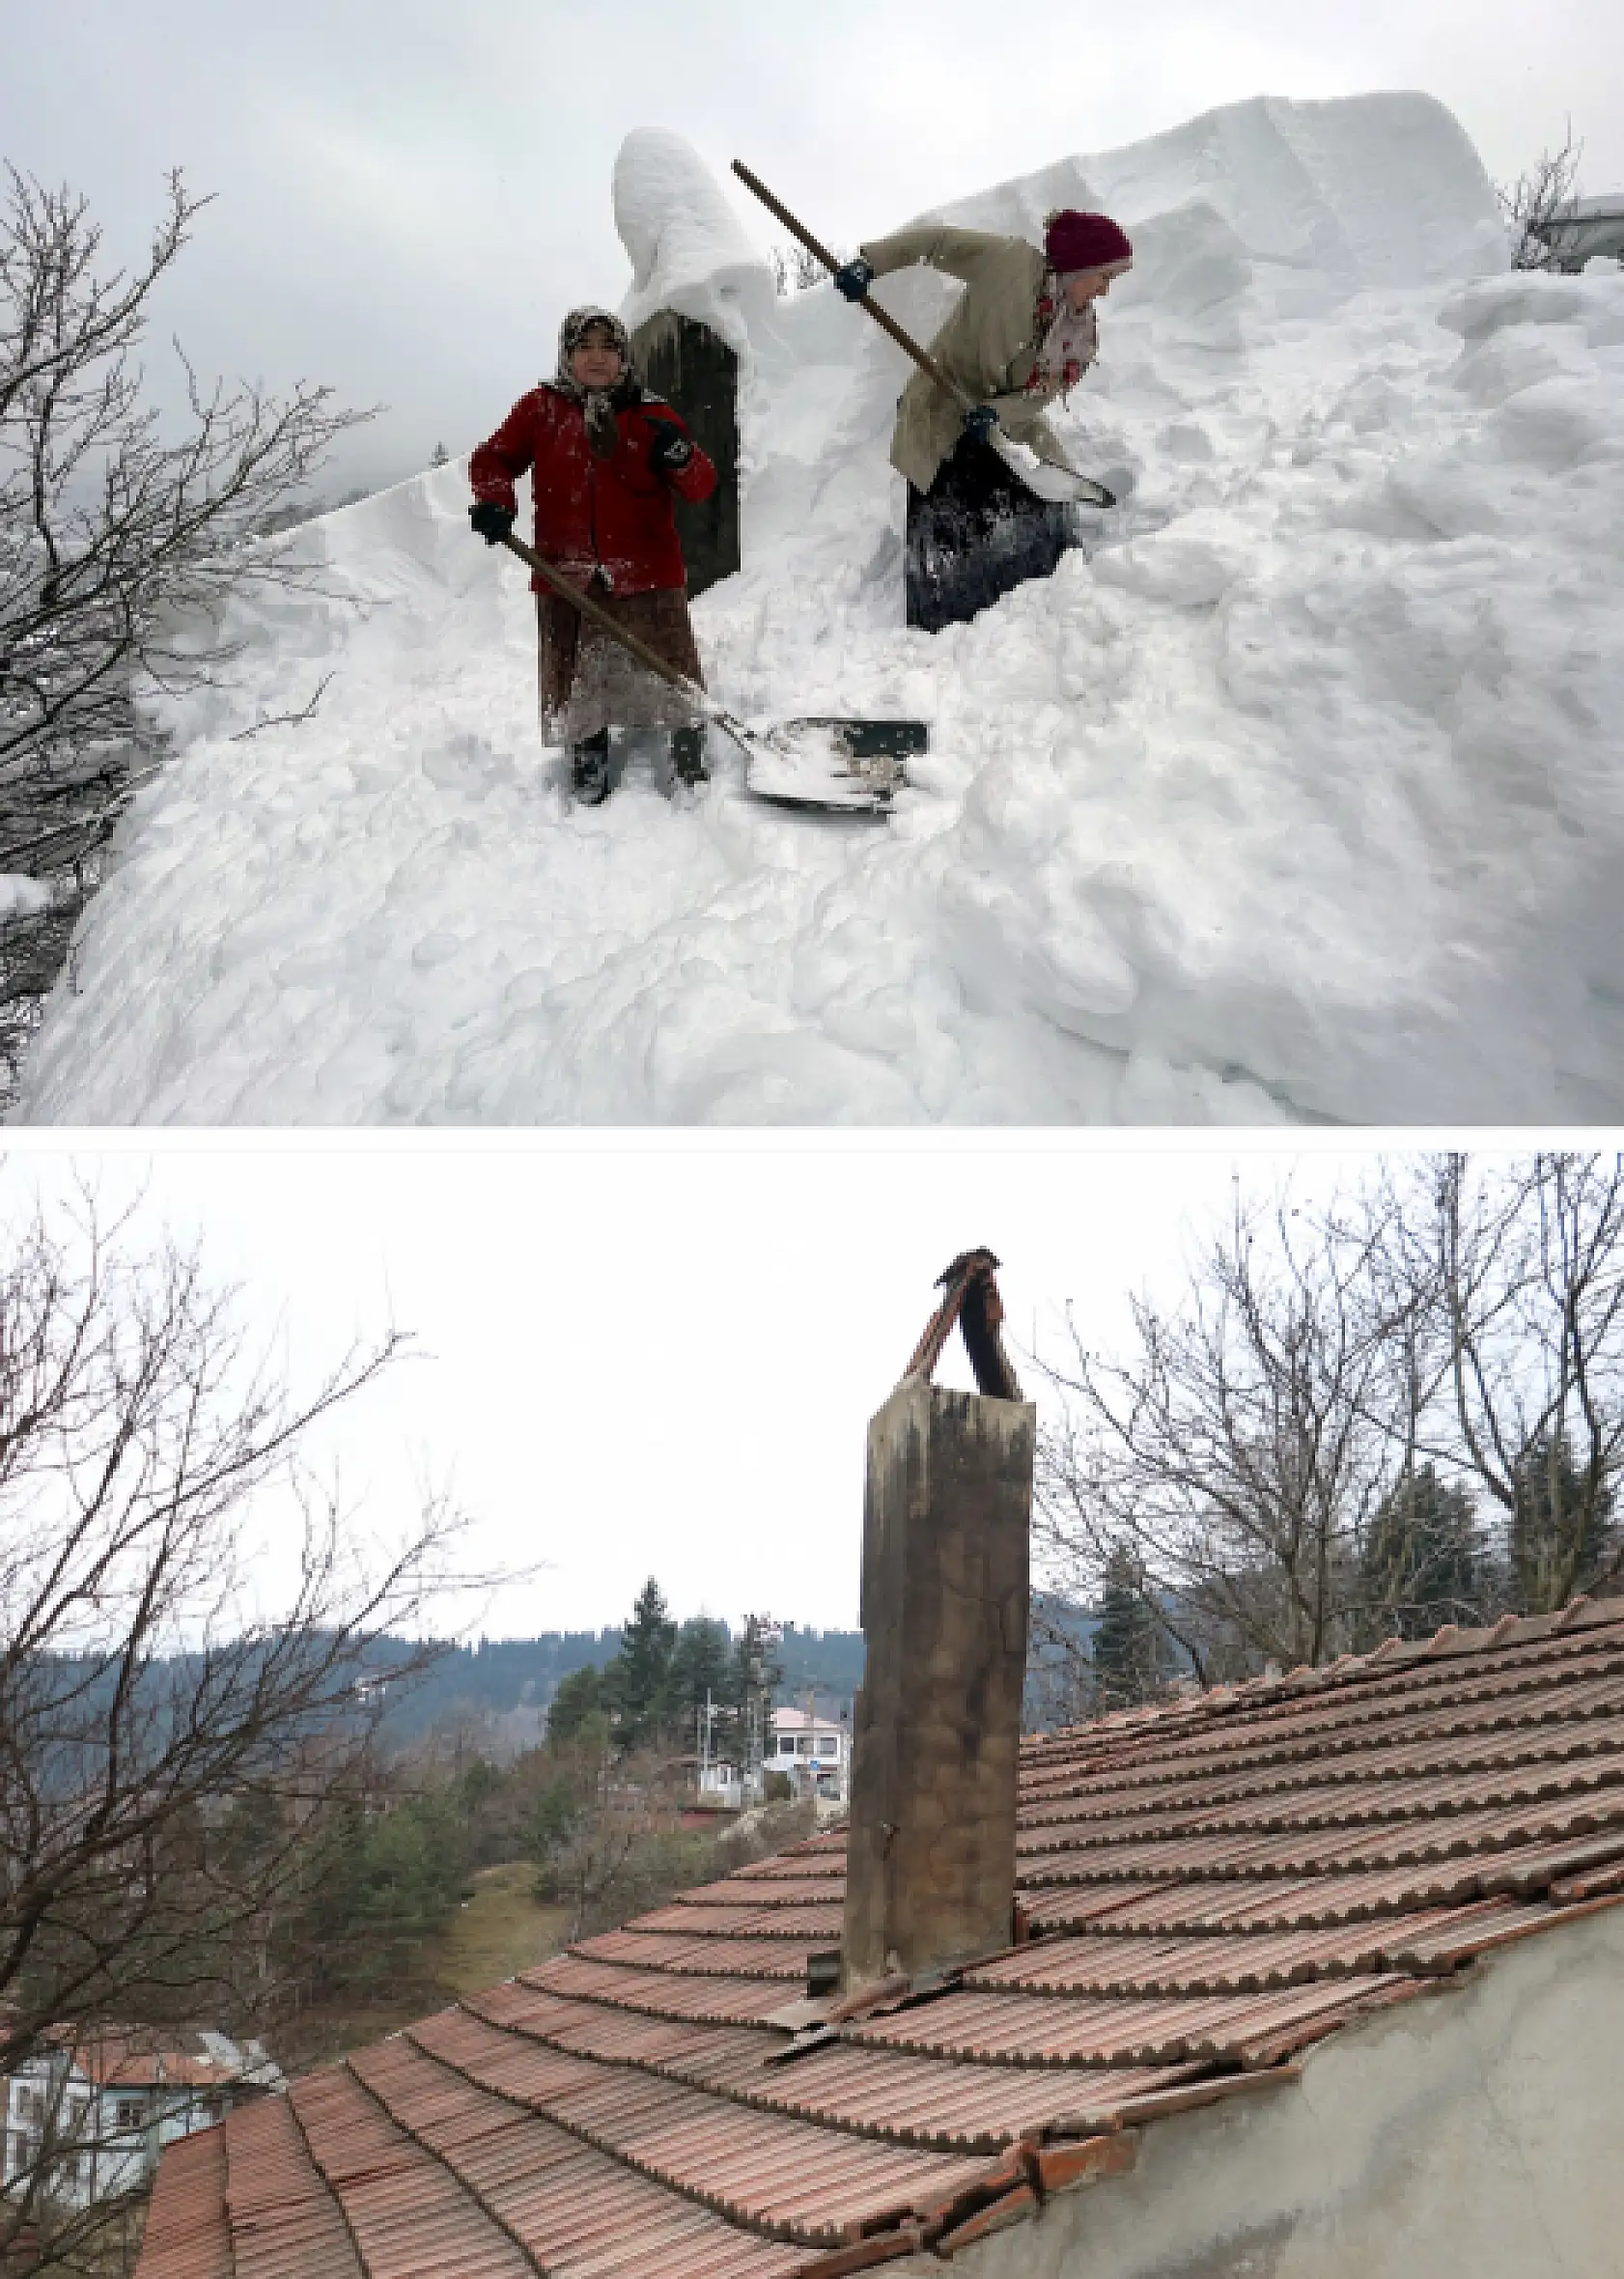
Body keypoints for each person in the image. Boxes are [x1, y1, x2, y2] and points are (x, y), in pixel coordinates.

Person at [833, 210, 1133, 633]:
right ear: (1079, 265)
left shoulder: (1079, 335)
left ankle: (1046, 567)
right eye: (1103, 276)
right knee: (943, 483)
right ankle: (944, 593)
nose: (1103, 290)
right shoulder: (1008, 261)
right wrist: (871, 264)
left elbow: (1041, 394)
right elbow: (935, 243)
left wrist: (999, 414)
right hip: (943, 396)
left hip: (1008, 414)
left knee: (1046, 464)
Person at [468, 307, 718, 804]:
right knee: (581, 680)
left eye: (608, 346)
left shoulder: (652, 414)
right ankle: (589, 762)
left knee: (672, 674)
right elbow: (493, 459)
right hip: (567, 574)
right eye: (586, 347)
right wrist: (496, 500)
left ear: (623, 356)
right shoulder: (541, 410)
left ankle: (690, 759)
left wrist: (681, 459)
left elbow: (702, 484)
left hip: (647, 573)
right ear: (568, 354)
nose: (598, 357)